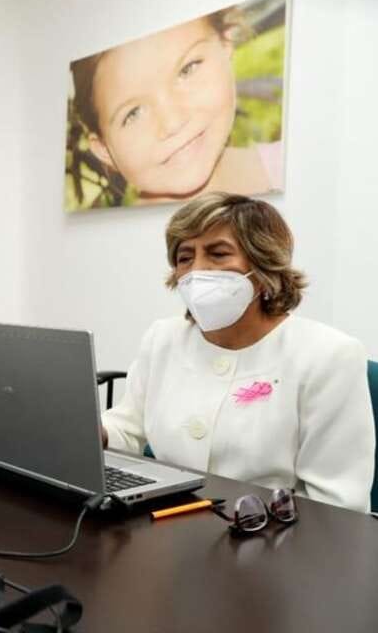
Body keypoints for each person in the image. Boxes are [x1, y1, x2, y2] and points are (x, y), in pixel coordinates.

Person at [101, 193, 374, 512]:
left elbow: (336, 506)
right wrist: (92, 433)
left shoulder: (328, 356)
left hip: (272, 534)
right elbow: (126, 429)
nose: (197, 270)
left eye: (218, 253)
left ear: (262, 267)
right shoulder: (162, 338)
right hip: (166, 522)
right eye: (185, 257)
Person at [69, 6, 283, 205]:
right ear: (104, 150)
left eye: (187, 69)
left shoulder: (293, 165)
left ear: (226, 42)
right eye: (133, 114)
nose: (173, 123)